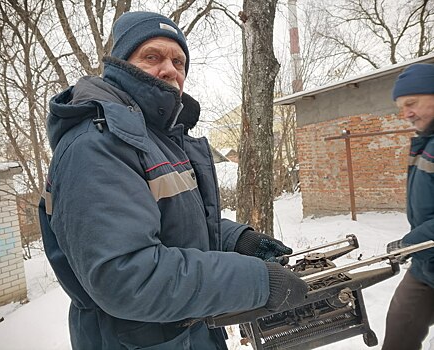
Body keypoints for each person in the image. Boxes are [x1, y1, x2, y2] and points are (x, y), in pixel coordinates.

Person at [38, 11, 308, 350]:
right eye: (152, 56)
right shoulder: (96, 145)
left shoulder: (158, 139)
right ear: (121, 64)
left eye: (179, 61)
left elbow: (173, 224)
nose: (170, 70)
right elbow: (128, 276)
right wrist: (257, 282)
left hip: (186, 334)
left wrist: (238, 240)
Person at [383, 63, 434, 350]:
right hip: (427, 266)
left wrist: (409, 243)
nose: (406, 114)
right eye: (402, 107)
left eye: (412, 103)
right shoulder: (426, 142)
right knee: (400, 326)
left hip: (423, 250)